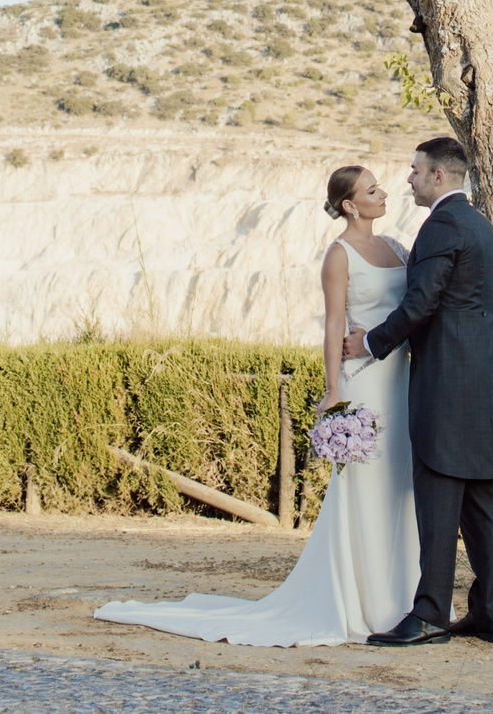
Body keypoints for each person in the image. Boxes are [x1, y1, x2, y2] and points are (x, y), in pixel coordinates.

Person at [91, 164, 422, 645]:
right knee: (365, 488)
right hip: (365, 382)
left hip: (401, 377)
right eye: (372, 190)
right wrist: (334, 390)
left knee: (399, 485)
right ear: (351, 205)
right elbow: (333, 324)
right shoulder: (339, 255)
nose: (384, 193)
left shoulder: (395, 248)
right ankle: (363, 603)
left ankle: (405, 598)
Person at [342, 135, 493, 646]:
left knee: (438, 506)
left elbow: (422, 303)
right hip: (482, 385)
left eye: (416, 170)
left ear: (438, 176)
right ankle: (490, 614)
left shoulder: (442, 226)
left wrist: (370, 343)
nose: (409, 178)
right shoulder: (478, 223)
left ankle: (431, 616)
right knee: (480, 508)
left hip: (446, 385)